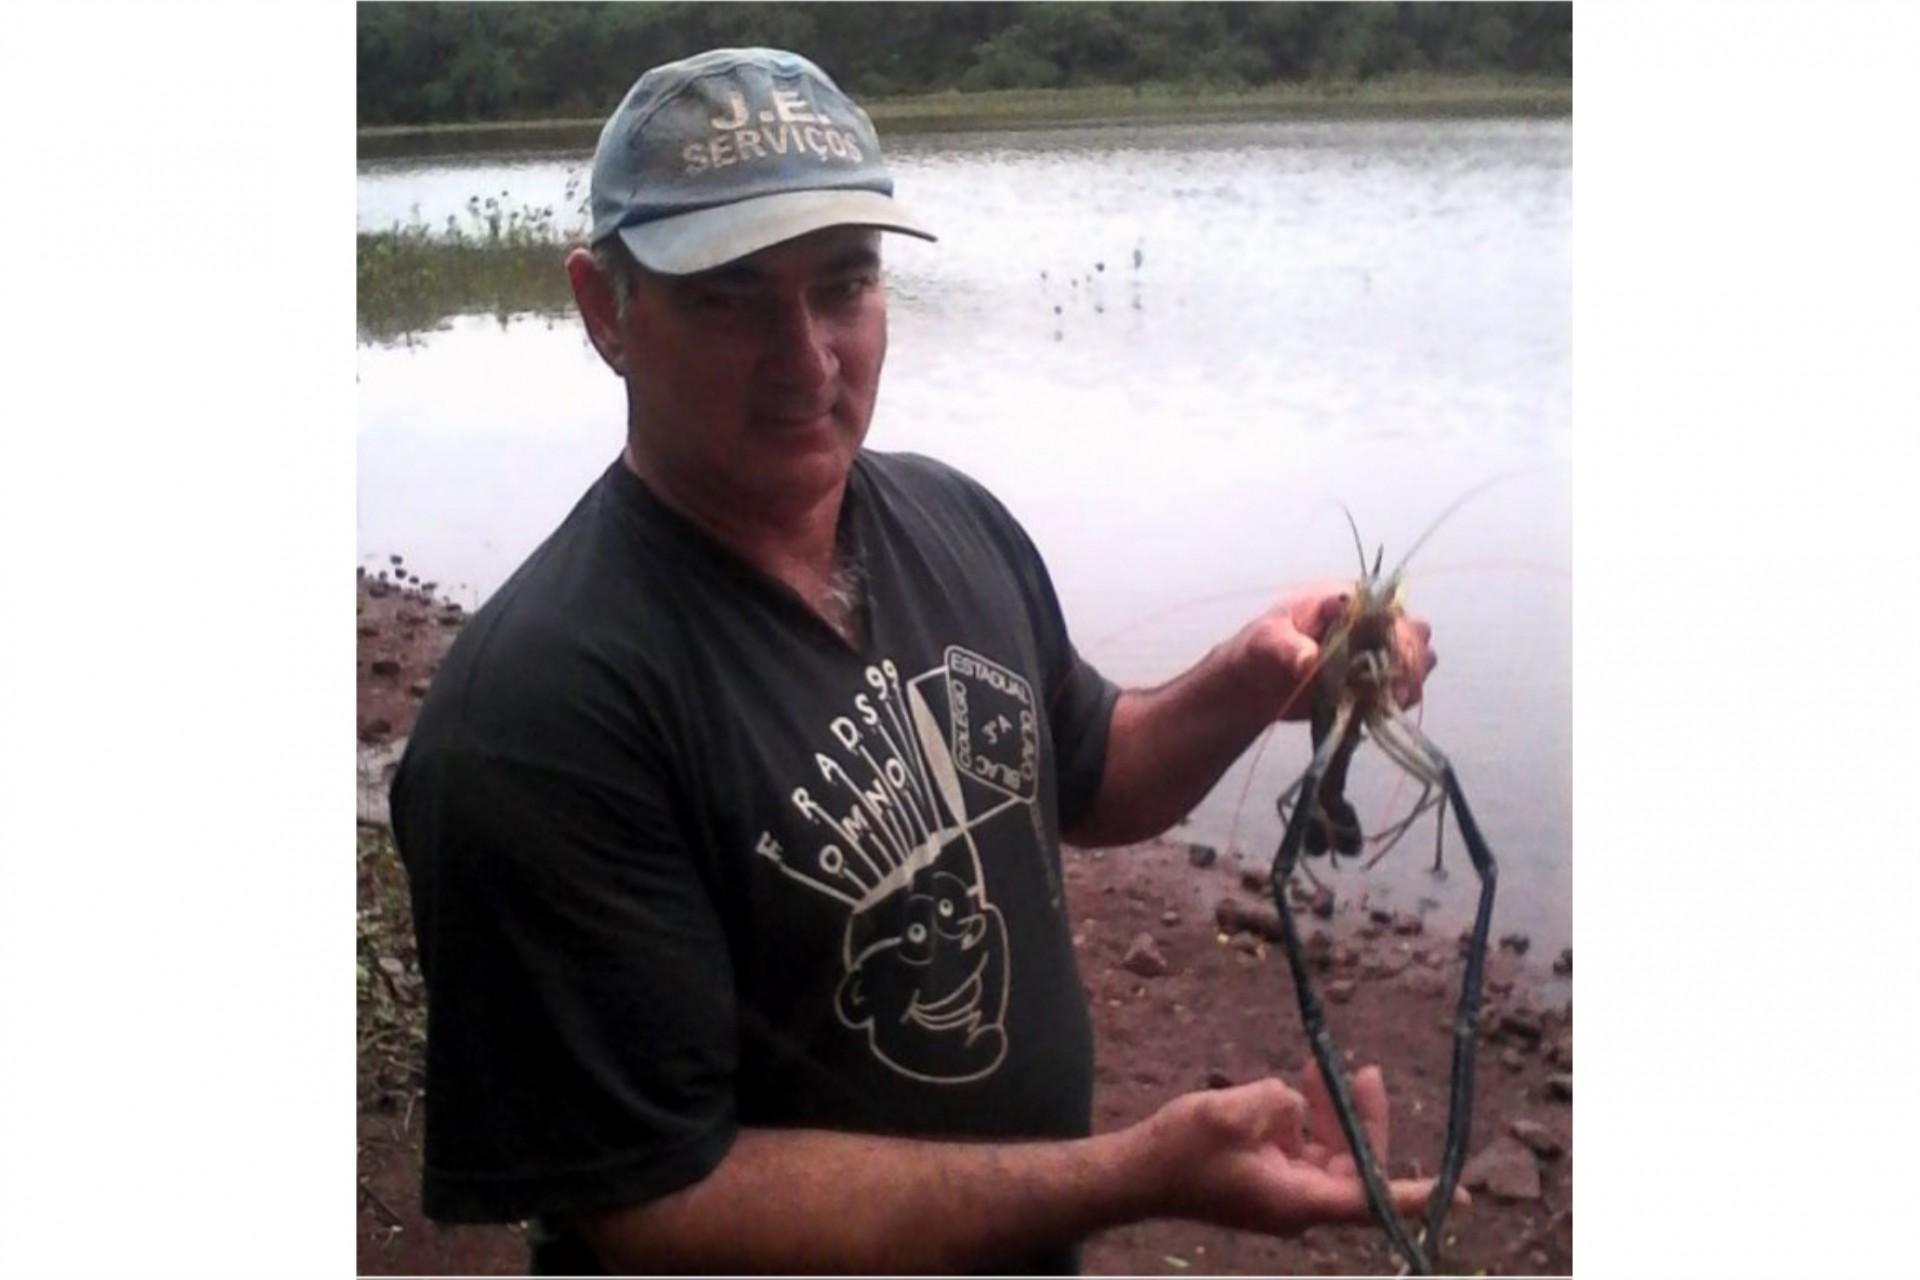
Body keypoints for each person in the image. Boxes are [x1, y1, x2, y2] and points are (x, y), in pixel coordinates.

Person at [391, 47, 1445, 1276]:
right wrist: (1135, 1171)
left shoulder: (952, 521)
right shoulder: (539, 714)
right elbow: (655, 1201)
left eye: (844, 284)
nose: (806, 358)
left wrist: (1256, 677)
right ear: (602, 308)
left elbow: (1093, 768)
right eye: (731, 295)